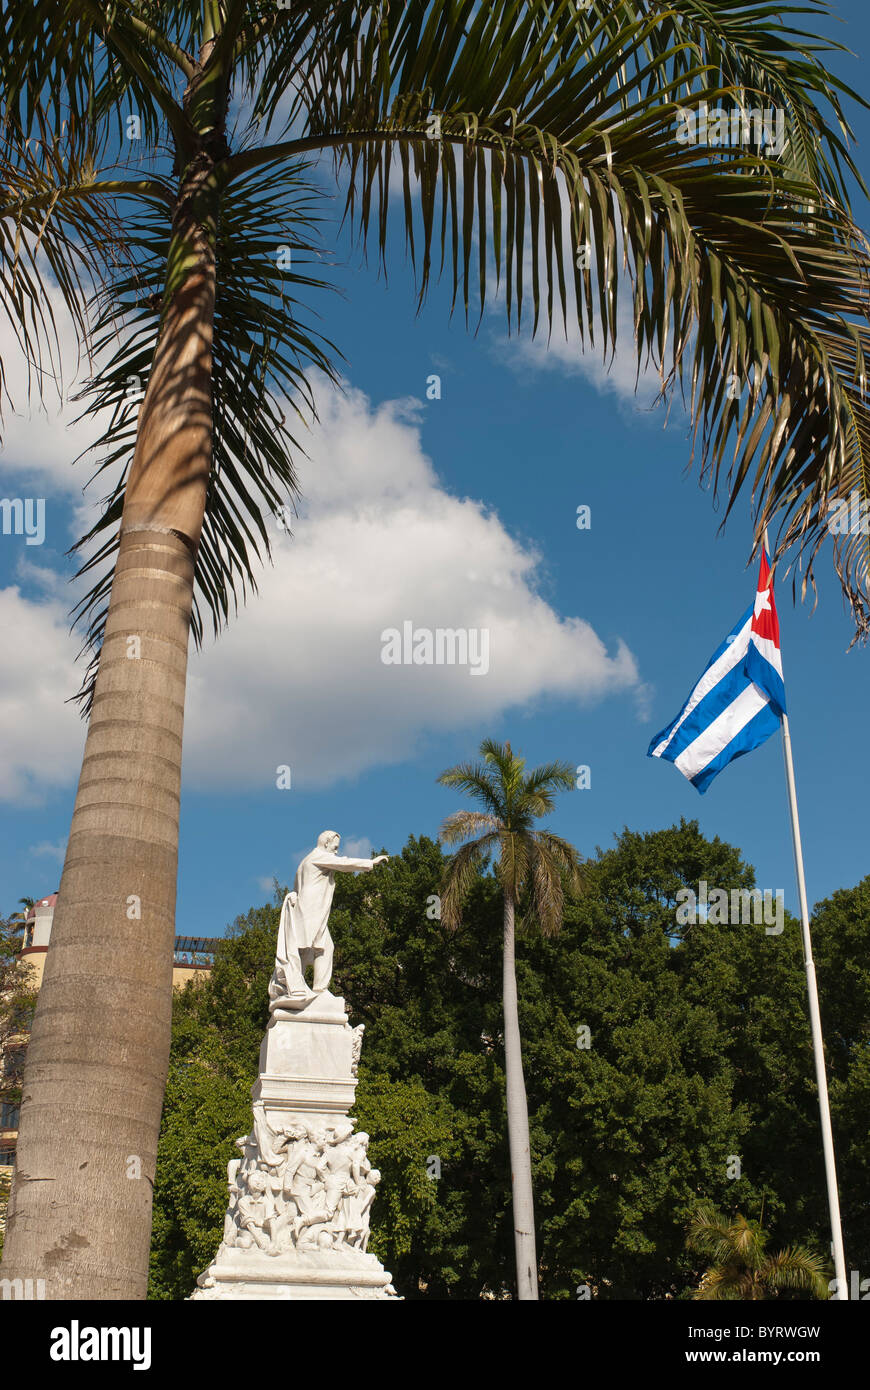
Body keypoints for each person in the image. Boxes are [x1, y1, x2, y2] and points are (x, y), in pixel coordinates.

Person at [269, 831, 389, 1006]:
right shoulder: (319, 856)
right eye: (335, 846)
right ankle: (303, 987)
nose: (336, 851)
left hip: (309, 909)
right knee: (308, 948)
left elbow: (297, 886)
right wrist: (370, 862)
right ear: (326, 843)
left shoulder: (304, 862)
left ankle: (310, 988)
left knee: (317, 947)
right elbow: (343, 863)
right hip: (311, 909)